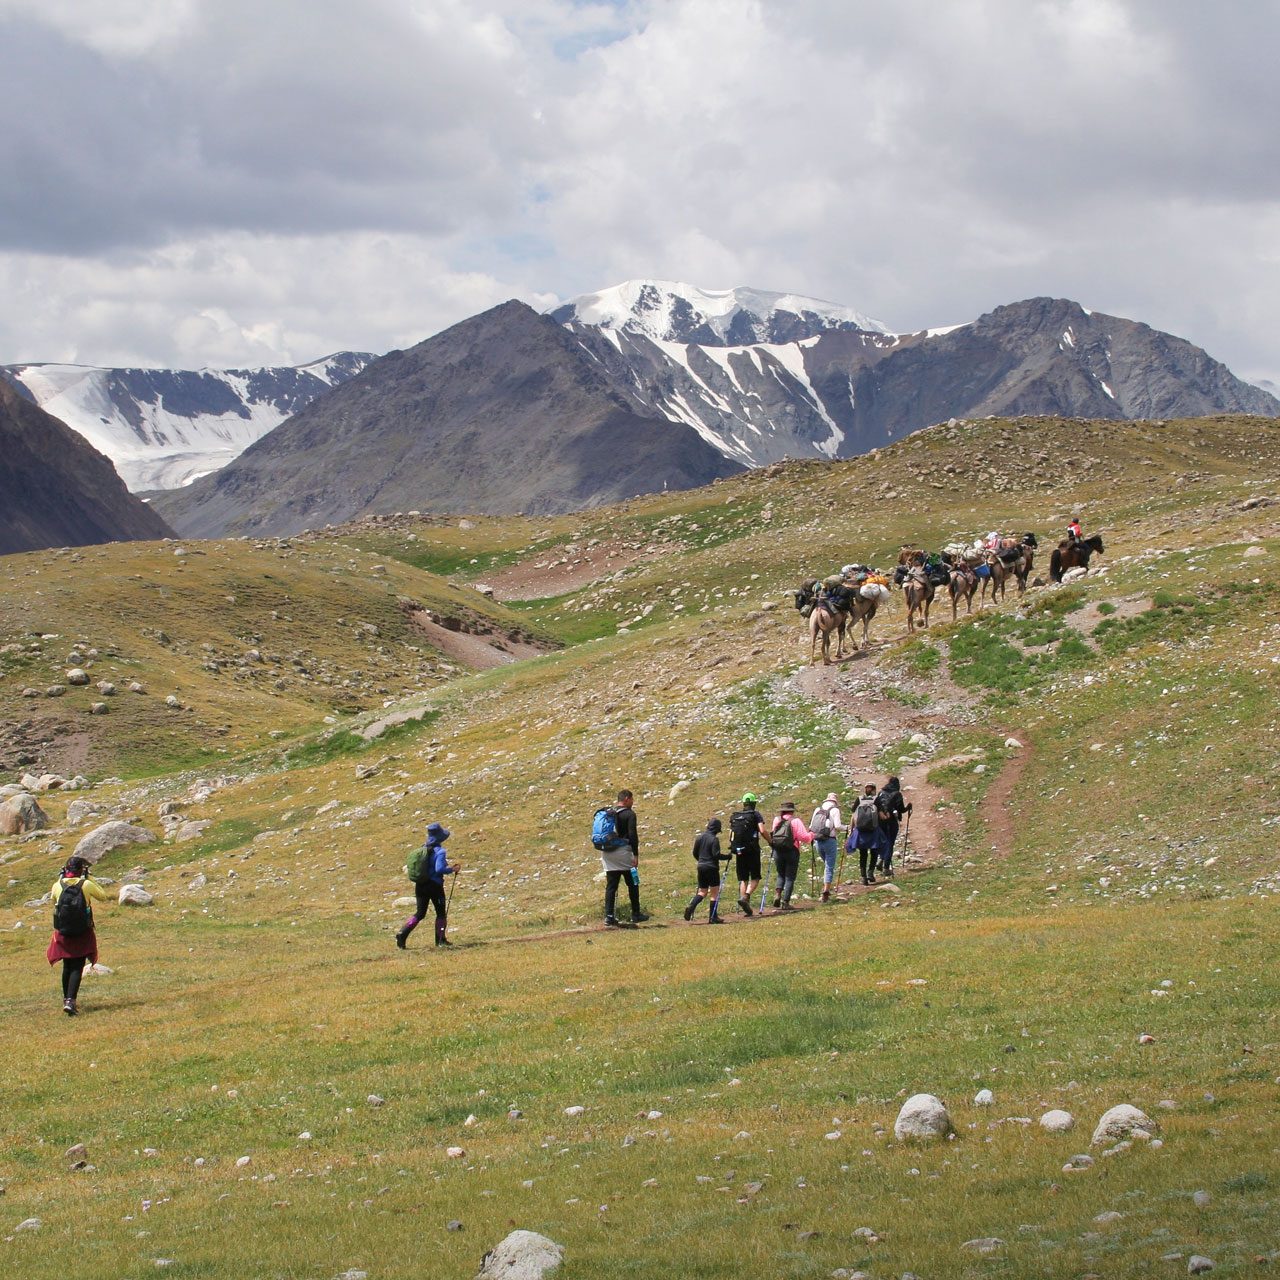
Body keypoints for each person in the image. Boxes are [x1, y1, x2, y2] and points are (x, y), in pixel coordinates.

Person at [46, 855, 110, 1016]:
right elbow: (103, 896)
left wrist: (60, 879)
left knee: (67, 965)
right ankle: (71, 1001)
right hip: (82, 931)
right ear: (81, 870)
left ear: (66, 869)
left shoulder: (57, 885)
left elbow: (53, 900)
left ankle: (66, 999)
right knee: (77, 965)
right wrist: (90, 878)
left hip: (63, 931)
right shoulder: (86, 884)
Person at [396, 821, 461, 948]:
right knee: (441, 913)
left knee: (420, 913)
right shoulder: (440, 851)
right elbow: (439, 869)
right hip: (435, 886)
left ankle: (402, 933)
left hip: (421, 884)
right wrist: (452, 869)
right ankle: (440, 940)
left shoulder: (423, 849)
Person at [602, 789, 649, 927]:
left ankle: (609, 916)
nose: (633, 802)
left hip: (608, 853)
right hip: (623, 852)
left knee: (611, 886)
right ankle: (636, 913)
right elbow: (632, 835)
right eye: (632, 799)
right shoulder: (629, 814)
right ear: (627, 799)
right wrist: (636, 855)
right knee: (633, 882)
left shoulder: (609, 814)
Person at [768, 801, 814, 910]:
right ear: (792, 811)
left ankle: (778, 894)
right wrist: (812, 835)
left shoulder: (777, 820)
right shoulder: (795, 821)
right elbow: (804, 837)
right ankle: (785, 902)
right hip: (791, 850)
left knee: (780, 874)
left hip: (778, 850)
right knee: (789, 877)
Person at [683, 818, 730, 923]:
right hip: (712, 868)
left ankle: (691, 906)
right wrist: (727, 856)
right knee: (714, 892)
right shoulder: (714, 839)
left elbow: (695, 852)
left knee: (702, 891)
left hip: (701, 866)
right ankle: (713, 917)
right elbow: (716, 855)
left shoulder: (699, 837)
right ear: (716, 829)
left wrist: (701, 861)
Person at [728, 793, 768, 914]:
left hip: (739, 850)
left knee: (743, 879)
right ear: (754, 803)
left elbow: (730, 835)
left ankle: (746, 906)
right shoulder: (755, 814)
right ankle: (746, 897)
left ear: (744, 803)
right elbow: (762, 830)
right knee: (755, 877)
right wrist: (770, 841)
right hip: (752, 850)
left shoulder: (736, 816)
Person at [875, 776, 912, 878]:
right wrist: (908, 807)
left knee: (883, 841)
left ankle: (881, 859)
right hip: (892, 821)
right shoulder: (897, 794)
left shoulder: (881, 792)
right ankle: (886, 867)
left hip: (880, 820)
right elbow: (901, 809)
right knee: (890, 842)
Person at [849, 784, 886, 885]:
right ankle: (870, 873)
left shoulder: (859, 799)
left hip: (860, 831)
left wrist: (851, 830)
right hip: (873, 831)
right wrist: (887, 816)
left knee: (863, 854)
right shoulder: (876, 799)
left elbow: (853, 815)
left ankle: (863, 877)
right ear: (874, 790)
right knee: (874, 852)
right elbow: (882, 816)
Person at [809, 792, 843, 902]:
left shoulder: (817, 809)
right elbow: (837, 826)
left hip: (818, 840)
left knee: (827, 865)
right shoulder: (835, 810)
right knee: (829, 866)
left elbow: (811, 826)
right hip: (830, 840)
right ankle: (826, 891)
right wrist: (847, 827)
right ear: (835, 802)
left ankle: (826, 886)